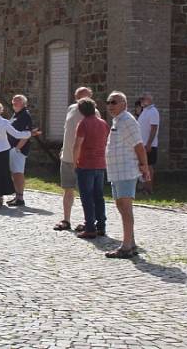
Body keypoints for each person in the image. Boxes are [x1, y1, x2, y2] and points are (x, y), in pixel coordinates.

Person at [104, 91, 150, 259]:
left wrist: (144, 167)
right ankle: (131, 242)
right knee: (120, 206)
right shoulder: (118, 120)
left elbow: (139, 146)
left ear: (124, 104)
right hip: (116, 172)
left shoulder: (127, 121)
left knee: (125, 207)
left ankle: (126, 246)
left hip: (125, 170)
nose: (110, 105)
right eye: (108, 102)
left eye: (114, 102)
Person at [0, 98, 33, 208]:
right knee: (3, 173)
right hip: (4, 150)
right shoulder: (4, 122)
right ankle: (1, 197)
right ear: (0, 110)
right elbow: (17, 134)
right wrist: (28, 134)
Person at [54, 87, 94, 232]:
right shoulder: (71, 108)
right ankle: (66, 219)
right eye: (79, 97)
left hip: (84, 160)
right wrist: (63, 149)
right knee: (67, 189)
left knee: (86, 192)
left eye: (85, 97)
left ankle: (88, 221)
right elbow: (67, 131)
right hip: (67, 157)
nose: (82, 100)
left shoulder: (93, 112)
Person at [73, 97, 109, 239]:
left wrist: (75, 160)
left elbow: (77, 145)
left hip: (86, 164)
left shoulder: (83, 124)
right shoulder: (103, 123)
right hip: (100, 163)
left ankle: (90, 228)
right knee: (98, 196)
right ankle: (101, 226)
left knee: (87, 196)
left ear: (81, 111)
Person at [7, 94, 34, 206]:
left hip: (18, 150)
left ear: (23, 103)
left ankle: (20, 198)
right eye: (13, 101)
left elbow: (26, 134)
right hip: (12, 148)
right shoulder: (16, 114)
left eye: (16, 101)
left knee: (18, 173)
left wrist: (17, 149)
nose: (14, 103)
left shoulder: (25, 115)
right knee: (14, 173)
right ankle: (17, 196)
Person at [138, 92, 160, 194]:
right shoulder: (145, 111)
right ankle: (144, 187)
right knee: (143, 166)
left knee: (149, 166)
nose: (141, 101)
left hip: (149, 145)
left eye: (143, 99)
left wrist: (149, 144)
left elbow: (154, 128)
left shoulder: (153, 111)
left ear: (149, 100)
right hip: (143, 144)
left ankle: (149, 189)